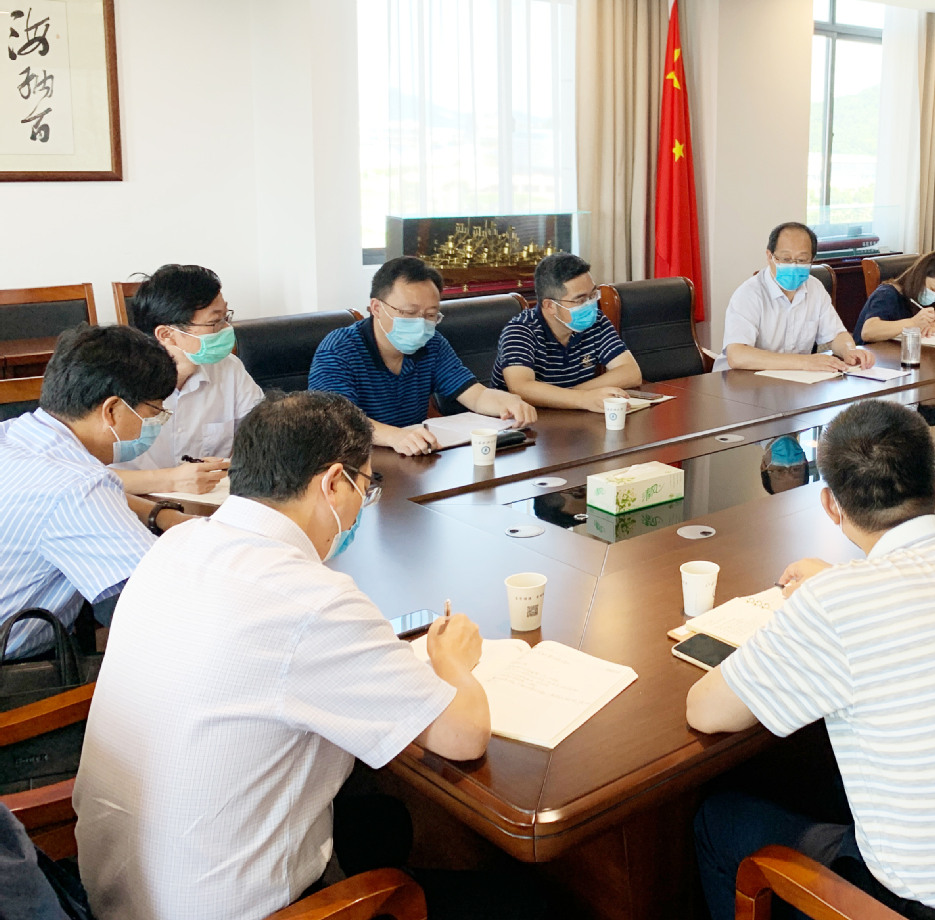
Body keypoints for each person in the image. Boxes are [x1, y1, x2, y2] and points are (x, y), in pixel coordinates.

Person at [74, 391, 493, 920]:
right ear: (334, 482)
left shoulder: (177, 546)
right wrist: (451, 660)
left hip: (112, 889)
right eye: (366, 486)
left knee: (383, 820)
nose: (362, 505)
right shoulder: (312, 601)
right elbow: (463, 736)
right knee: (525, 902)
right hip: (237, 909)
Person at [688, 400, 935, 920]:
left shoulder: (837, 604)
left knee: (718, 818)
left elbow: (705, 711)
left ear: (830, 505)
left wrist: (824, 598)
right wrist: (836, 584)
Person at [0, 324, 190, 659]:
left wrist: (159, 514)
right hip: (17, 671)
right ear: (112, 410)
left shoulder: (14, 434)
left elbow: (80, 497)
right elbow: (153, 601)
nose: (155, 425)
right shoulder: (79, 487)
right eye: (154, 413)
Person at [309, 257, 537, 454]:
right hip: (354, 463)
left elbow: (476, 396)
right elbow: (336, 420)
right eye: (409, 313)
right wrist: (394, 436)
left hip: (411, 458)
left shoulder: (431, 343)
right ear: (376, 308)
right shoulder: (339, 349)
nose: (420, 324)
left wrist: (507, 403)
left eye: (430, 315)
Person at [112, 264, 263, 497]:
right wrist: (171, 481)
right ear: (166, 335)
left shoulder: (229, 369)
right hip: (133, 506)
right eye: (215, 322)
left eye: (226, 317)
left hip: (211, 502)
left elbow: (262, 436)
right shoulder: (115, 382)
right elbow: (81, 474)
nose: (226, 329)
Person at [492, 252, 644, 412]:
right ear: (550, 306)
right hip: (522, 422)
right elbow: (521, 388)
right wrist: (582, 398)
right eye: (580, 300)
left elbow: (631, 373)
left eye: (593, 294)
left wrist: (569, 397)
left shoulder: (596, 321)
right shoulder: (520, 330)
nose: (590, 304)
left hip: (573, 416)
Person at [720, 222, 874, 372]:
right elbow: (737, 355)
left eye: (801, 260)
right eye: (786, 259)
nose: (793, 266)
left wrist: (849, 350)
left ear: (812, 260)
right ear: (769, 256)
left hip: (794, 380)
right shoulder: (749, 293)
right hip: (744, 380)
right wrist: (804, 362)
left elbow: (835, 335)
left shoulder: (815, 287)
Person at [852, 251, 935, 343]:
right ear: (919, 278)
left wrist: (931, 326)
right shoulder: (887, 294)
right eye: (933, 289)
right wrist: (913, 323)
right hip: (873, 357)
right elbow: (868, 331)